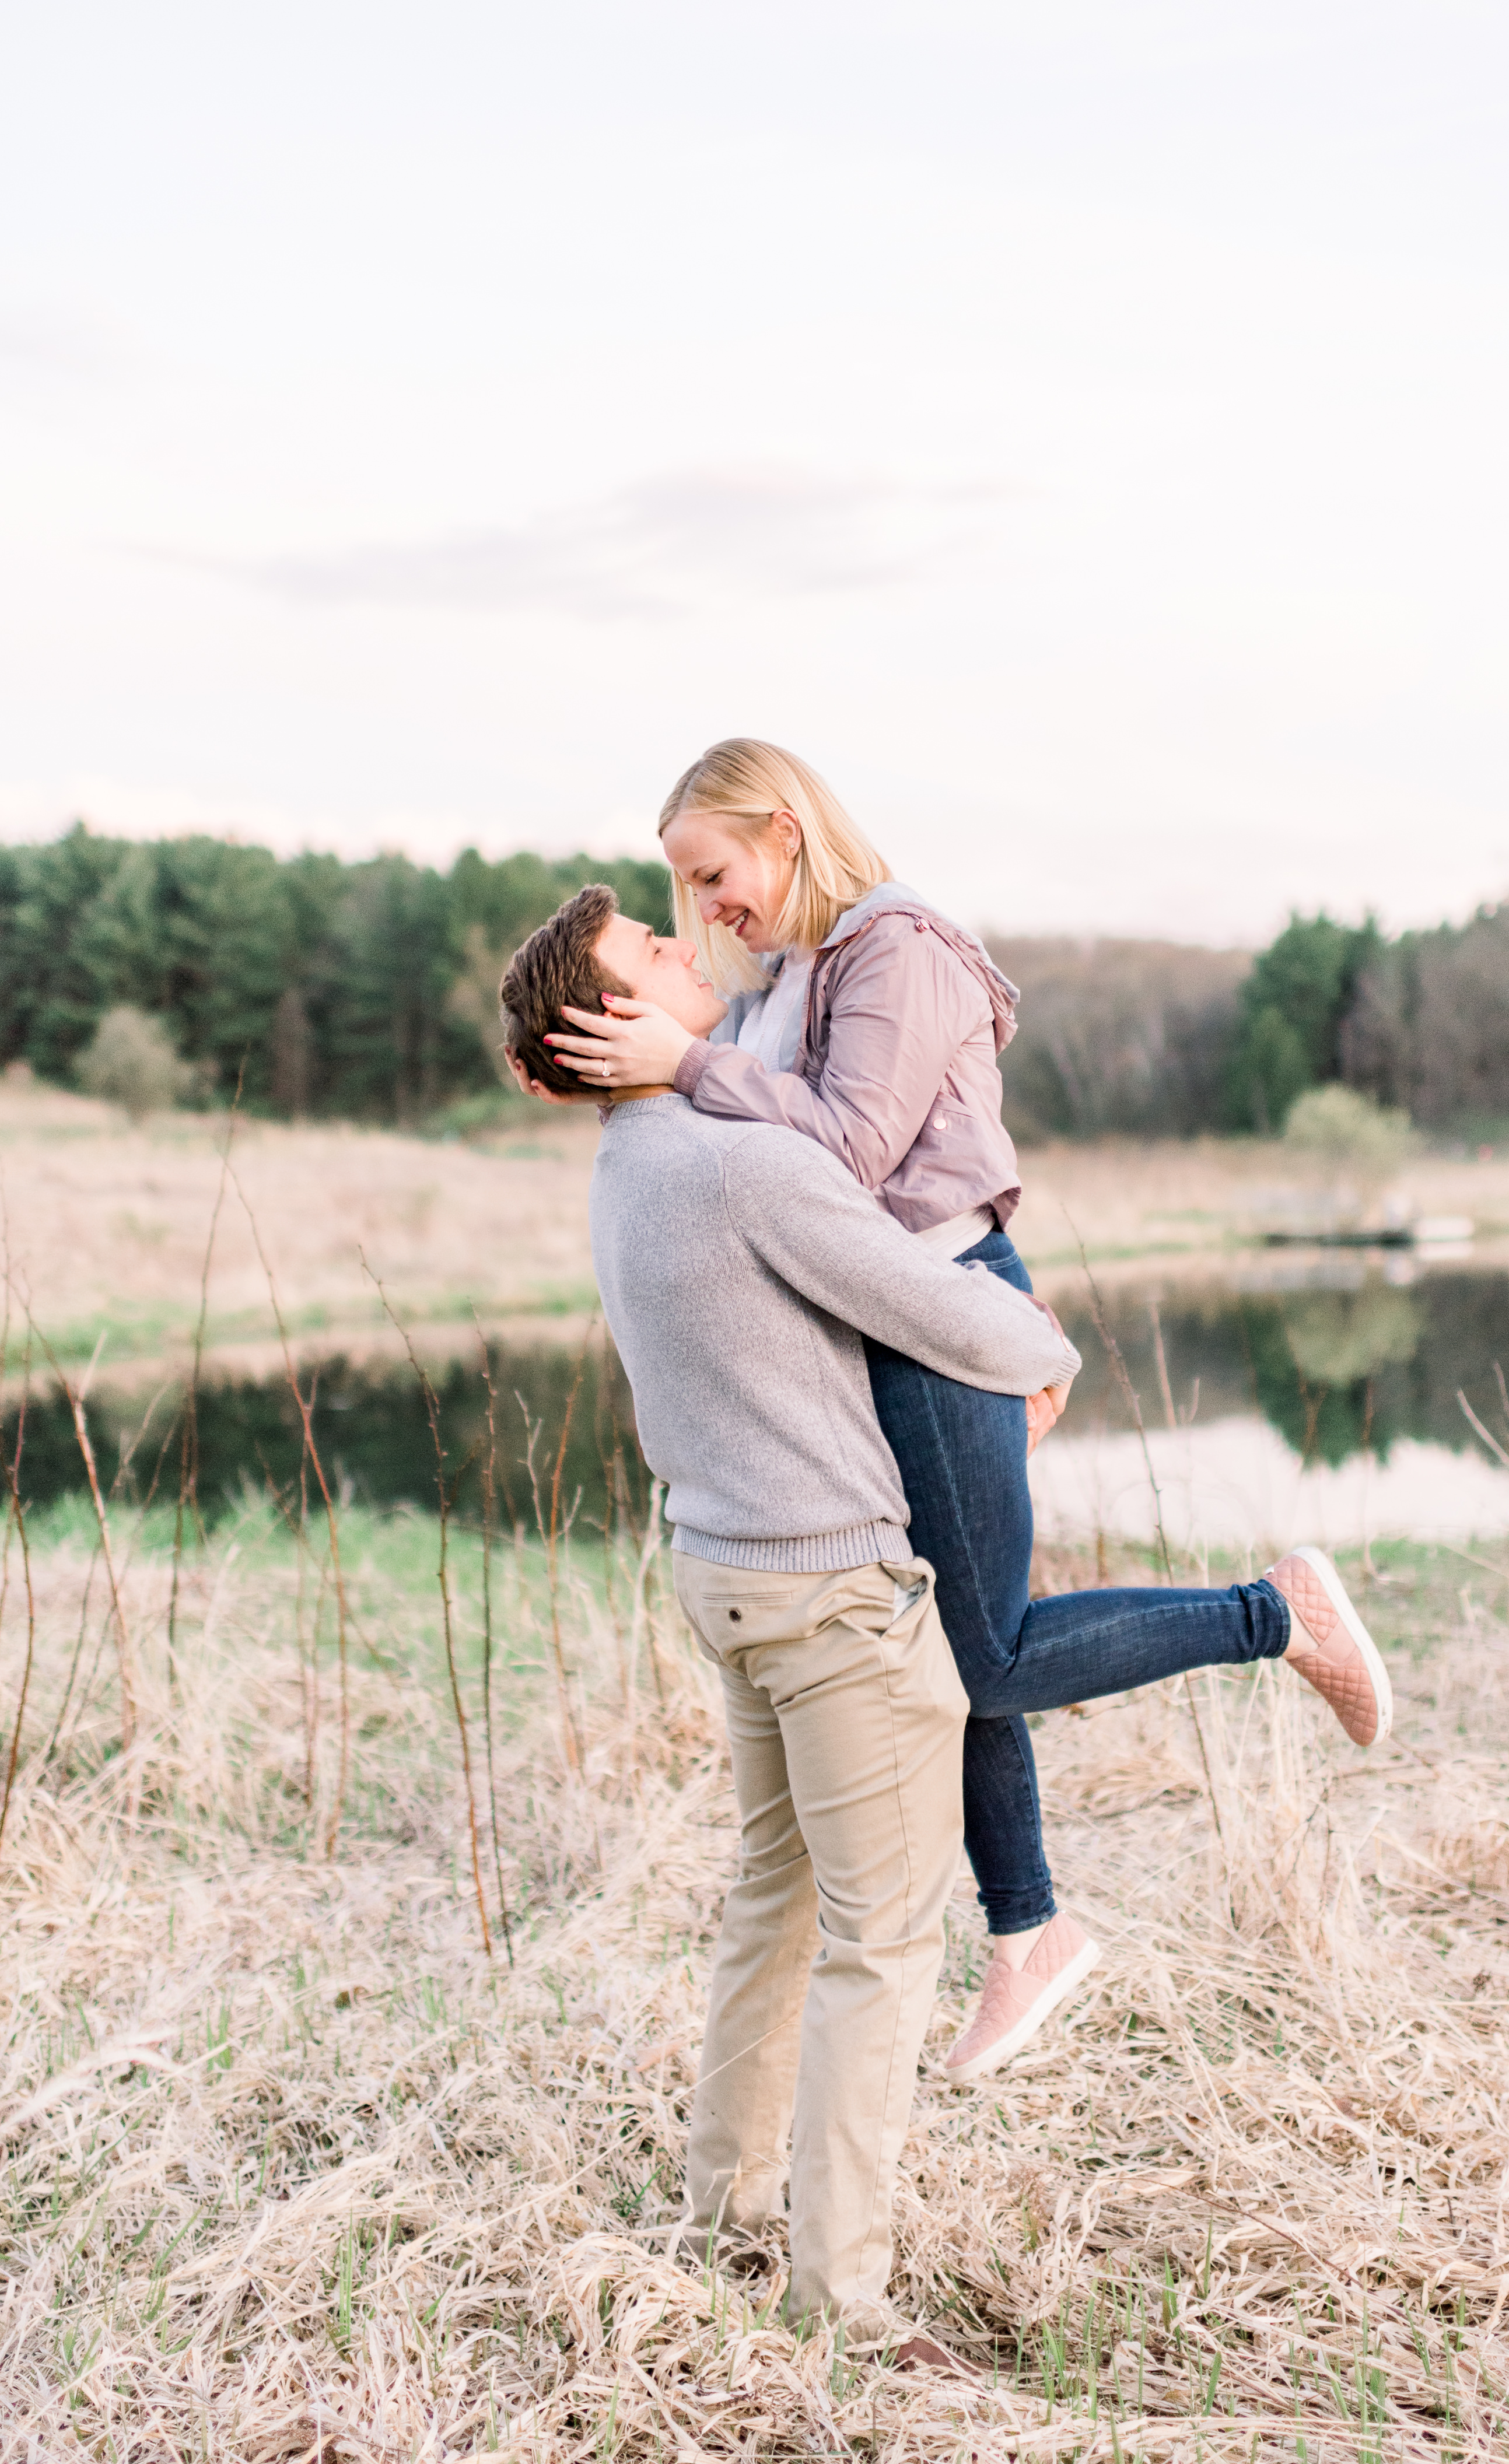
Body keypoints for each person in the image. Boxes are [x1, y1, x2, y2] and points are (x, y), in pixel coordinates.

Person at [533, 745, 1393, 2081]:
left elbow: (844, 1151)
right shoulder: (791, 974)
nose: (705, 911)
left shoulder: (898, 948)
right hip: (891, 1316)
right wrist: (606, 1072)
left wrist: (685, 1061)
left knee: (980, 1657)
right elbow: (738, 1152)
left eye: (712, 876)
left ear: (786, 830)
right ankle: (1029, 1932)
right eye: (681, 896)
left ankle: (1275, 1614)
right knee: (957, 1631)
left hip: (948, 1307)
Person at [499, 882, 1083, 2333]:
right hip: (831, 1599)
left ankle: (726, 2209)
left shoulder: (630, 1167)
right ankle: (840, 2297)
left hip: (726, 1579)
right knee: (879, 1948)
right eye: (648, 947)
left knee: (774, 1897)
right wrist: (1039, 1340)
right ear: (609, 1018)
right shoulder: (743, 1166)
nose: (681, 945)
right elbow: (953, 1309)